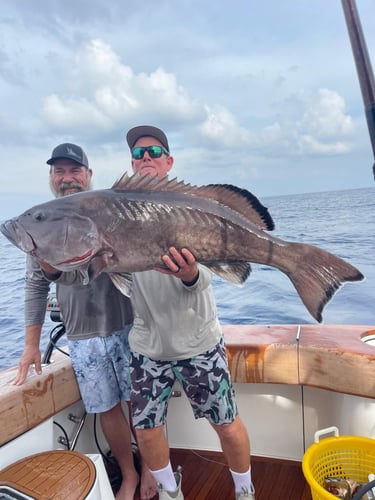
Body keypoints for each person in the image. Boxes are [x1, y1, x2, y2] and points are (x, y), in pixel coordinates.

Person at [13, 143, 157, 500]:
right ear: (51, 178)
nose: (67, 178)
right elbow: (35, 287)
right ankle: (129, 475)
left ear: (89, 175)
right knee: (107, 409)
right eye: (59, 172)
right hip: (81, 335)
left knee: (141, 405)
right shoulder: (41, 230)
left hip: (129, 326)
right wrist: (31, 345)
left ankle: (152, 469)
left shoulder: (111, 210)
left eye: (75, 171)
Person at [125, 126, 255, 500]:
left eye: (153, 151)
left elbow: (207, 278)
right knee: (146, 428)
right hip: (148, 347)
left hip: (199, 343)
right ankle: (170, 492)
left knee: (226, 424)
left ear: (169, 162)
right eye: (138, 153)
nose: (145, 157)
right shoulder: (119, 213)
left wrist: (191, 274)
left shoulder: (193, 209)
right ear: (131, 164)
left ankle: (245, 491)